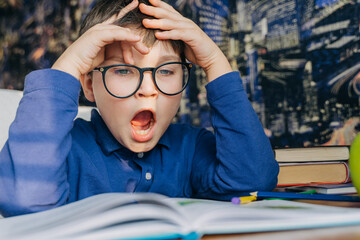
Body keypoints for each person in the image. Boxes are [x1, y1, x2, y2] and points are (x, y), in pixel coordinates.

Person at [0, 0, 279, 217]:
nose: (148, 89)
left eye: (167, 71)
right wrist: (69, 65)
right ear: (88, 85)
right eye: (123, 71)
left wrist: (215, 62)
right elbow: (23, 198)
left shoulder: (191, 148)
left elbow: (253, 181)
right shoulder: (64, 151)